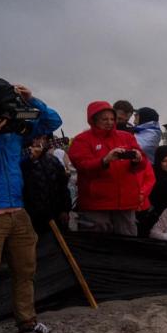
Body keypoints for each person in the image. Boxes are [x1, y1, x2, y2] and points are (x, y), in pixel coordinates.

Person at [0, 80, 61, 333]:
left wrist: (32, 101)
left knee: (26, 270)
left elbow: (53, 121)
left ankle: (27, 320)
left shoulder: (15, 131)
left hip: (17, 211)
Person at [69, 101, 149, 236]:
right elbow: (82, 165)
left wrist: (138, 159)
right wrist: (105, 160)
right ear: (93, 119)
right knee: (98, 246)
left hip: (125, 203)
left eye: (112, 119)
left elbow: (143, 163)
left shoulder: (127, 137)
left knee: (128, 245)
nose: (109, 122)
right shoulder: (82, 140)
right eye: (104, 119)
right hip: (97, 204)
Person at [20, 135, 72, 233]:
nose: (39, 142)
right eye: (36, 138)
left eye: (43, 138)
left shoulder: (53, 160)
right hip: (31, 214)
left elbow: (63, 186)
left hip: (55, 212)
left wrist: (65, 209)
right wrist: (32, 161)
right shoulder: (20, 162)